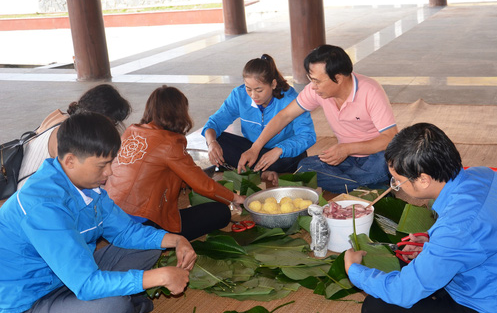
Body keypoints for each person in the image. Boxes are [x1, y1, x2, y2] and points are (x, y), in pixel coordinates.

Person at [344, 123, 497, 313]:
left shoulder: (458, 228)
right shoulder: (485, 175)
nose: (397, 187)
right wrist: (431, 239)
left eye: (398, 181)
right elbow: (482, 231)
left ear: (424, 179)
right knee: (407, 264)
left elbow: (405, 292)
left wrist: (354, 270)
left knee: (377, 309)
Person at [0, 112, 196, 313]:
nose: (110, 172)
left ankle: (121, 294)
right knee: (111, 309)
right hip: (31, 304)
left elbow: (125, 231)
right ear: (70, 160)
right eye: (103, 165)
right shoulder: (42, 207)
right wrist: (158, 277)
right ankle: (124, 300)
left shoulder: (87, 186)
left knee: (151, 244)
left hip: (72, 275)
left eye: (112, 162)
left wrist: (176, 240)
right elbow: (85, 283)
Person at [238, 45, 397, 193]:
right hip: (345, 160)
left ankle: (364, 183)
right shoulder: (316, 91)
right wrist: (255, 148)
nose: (313, 86)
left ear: (338, 78)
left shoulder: (370, 91)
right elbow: (284, 116)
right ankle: (369, 186)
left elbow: (389, 139)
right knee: (306, 168)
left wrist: (347, 148)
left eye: (317, 81)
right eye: (311, 79)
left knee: (387, 163)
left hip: (374, 156)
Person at [106, 85, 244, 241]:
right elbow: (203, 184)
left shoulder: (130, 131)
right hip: (143, 226)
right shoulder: (170, 143)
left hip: (110, 215)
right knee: (221, 212)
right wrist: (235, 198)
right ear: (180, 113)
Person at [202, 54, 316, 182]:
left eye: (259, 90)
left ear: (273, 84)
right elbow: (214, 123)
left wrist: (280, 150)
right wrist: (212, 143)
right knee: (217, 139)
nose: (253, 95)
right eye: (248, 89)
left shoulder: (291, 99)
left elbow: (307, 135)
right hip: (252, 150)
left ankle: (255, 170)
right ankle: (262, 171)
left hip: (280, 155)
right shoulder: (239, 95)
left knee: (294, 158)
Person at [17, 83, 132, 189]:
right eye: (112, 122)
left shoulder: (64, 119)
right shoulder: (71, 134)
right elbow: (73, 185)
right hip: (33, 194)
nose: (111, 129)